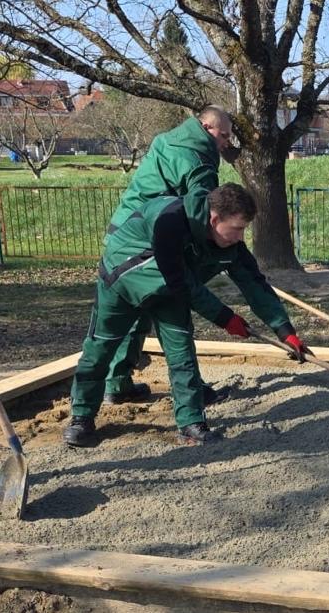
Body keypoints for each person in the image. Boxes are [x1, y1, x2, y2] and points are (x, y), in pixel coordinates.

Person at [63, 182, 305, 447]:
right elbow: (181, 281)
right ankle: (81, 418)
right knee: (101, 347)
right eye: (237, 228)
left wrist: (285, 331)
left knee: (182, 351)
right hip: (122, 279)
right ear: (214, 219)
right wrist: (225, 318)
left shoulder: (230, 245)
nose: (240, 237)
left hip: (169, 289)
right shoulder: (171, 220)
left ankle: (190, 424)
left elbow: (254, 284)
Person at [101, 104, 240, 405]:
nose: (227, 142)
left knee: (138, 309)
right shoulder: (198, 160)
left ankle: (117, 383)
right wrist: (216, 252)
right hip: (150, 238)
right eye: (224, 135)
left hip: (123, 233)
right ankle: (191, 391)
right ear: (206, 128)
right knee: (173, 312)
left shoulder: (168, 140)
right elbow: (203, 213)